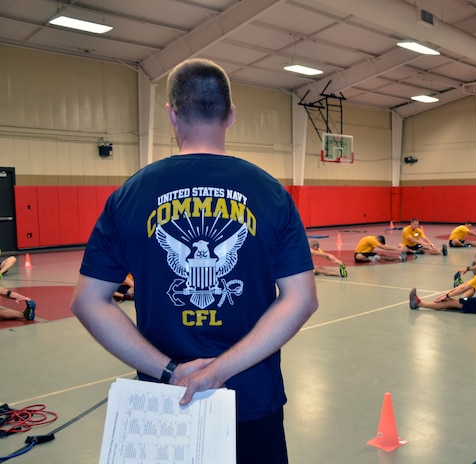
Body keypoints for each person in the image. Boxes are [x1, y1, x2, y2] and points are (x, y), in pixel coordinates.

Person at [70, 58, 318, 464]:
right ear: (231, 115)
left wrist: (170, 371)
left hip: (167, 401)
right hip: (252, 400)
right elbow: (301, 299)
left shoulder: (129, 195)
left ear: (171, 113)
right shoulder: (271, 193)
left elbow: (87, 301)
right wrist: (220, 371)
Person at [408, 250, 476, 314]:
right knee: (472, 286)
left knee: (451, 301)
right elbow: (468, 284)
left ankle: (419, 304)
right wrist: (449, 292)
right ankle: (462, 302)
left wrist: (447, 296)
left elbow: (464, 288)